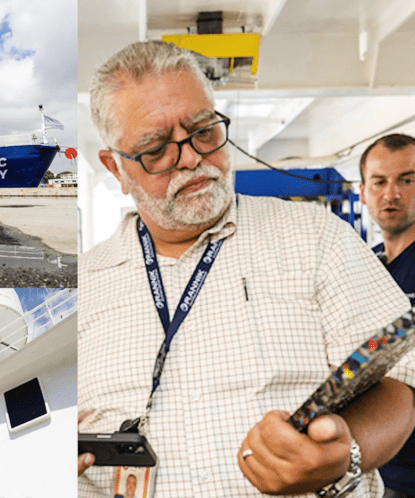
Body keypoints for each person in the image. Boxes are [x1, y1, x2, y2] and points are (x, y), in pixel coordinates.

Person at [78, 40, 415, 497]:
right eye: (156, 149)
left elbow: (400, 384)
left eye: (204, 131)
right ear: (115, 168)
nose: (191, 158)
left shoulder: (316, 237)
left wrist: (346, 453)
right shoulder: (80, 287)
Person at [359, 134, 415, 498]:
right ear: (363, 192)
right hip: (380, 467)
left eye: (407, 180)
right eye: (379, 182)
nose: (391, 194)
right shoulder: (364, 266)